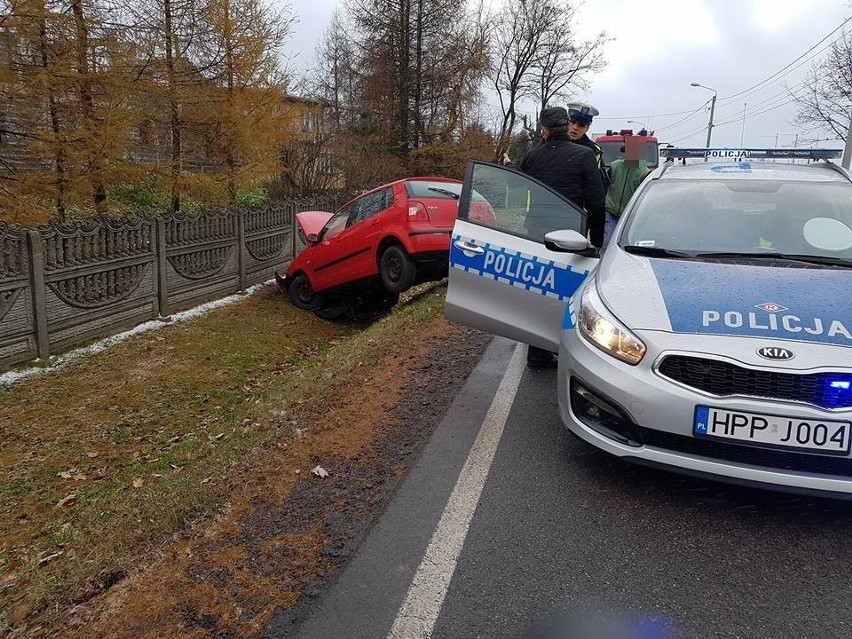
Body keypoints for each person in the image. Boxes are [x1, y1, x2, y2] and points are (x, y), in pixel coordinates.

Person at [507, 105, 606, 368]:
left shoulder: (532, 156)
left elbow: (516, 184)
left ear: (545, 131)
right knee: (567, 292)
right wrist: (596, 241)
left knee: (539, 290)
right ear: (566, 127)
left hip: (536, 234)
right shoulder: (585, 156)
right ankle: (568, 350)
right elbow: (596, 203)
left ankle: (537, 351)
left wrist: (509, 168)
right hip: (569, 237)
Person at [603, 136, 650, 250]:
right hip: (611, 212)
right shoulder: (615, 166)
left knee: (624, 246)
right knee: (607, 244)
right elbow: (604, 186)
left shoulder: (644, 172)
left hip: (629, 216)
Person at [565, 102, 609, 191]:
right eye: (573, 122)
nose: (575, 127)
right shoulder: (553, 143)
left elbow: (600, 184)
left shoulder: (594, 151)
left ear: (587, 128)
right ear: (567, 122)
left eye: (581, 125)